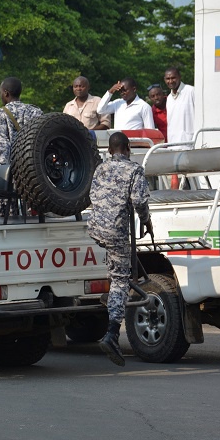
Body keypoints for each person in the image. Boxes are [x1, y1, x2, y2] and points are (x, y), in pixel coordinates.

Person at [88, 132, 152, 367]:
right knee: (120, 280)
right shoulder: (134, 170)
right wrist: (146, 221)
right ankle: (112, 333)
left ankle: (111, 289)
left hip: (95, 229)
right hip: (116, 232)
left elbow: (93, 195)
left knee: (115, 267)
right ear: (126, 148)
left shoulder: (100, 168)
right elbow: (139, 202)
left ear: (110, 149)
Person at [0, 77, 42, 166]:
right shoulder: (35, 111)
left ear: (6, 93)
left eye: (1, 92)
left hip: (15, 170)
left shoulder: (0, 114)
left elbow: (2, 144)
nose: (0, 95)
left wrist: (1, 169)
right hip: (35, 168)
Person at [164, 67, 195, 147]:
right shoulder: (169, 98)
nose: (170, 81)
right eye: (168, 79)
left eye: (173, 78)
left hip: (189, 143)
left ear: (179, 77)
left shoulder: (191, 91)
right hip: (173, 144)